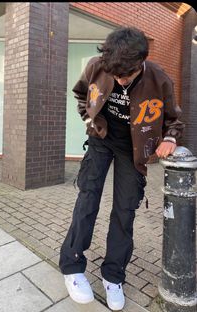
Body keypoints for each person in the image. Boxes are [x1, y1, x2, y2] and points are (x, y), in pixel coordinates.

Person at [59, 26, 184, 311]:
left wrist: (169, 138)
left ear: (141, 63)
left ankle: (113, 275)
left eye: (124, 76)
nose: (118, 79)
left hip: (133, 148)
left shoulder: (159, 78)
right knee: (87, 199)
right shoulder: (96, 66)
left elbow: (175, 120)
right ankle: (72, 265)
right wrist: (88, 120)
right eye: (114, 74)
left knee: (125, 210)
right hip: (101, 139)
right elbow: (81, 94)